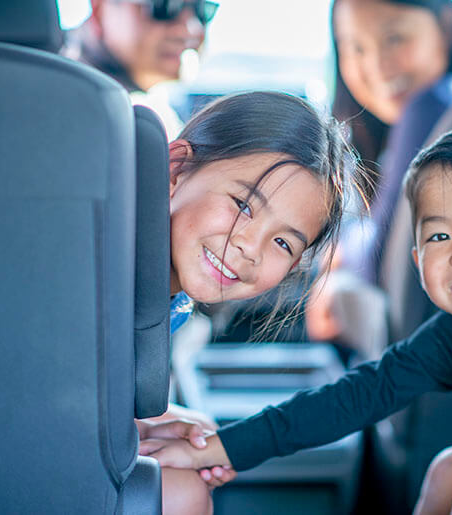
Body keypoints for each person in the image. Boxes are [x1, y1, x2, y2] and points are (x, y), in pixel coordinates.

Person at [137, 119, 452, 515]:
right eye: (439, 236)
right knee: (449, 470)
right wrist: (219, 447)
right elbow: (356, 398)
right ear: (417, 261)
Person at [137, 90, 363, 514]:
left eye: (282, 242)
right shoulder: (111, 278)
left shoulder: (165, 300)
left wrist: (155, 422)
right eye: (243, 204)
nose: (249, 247)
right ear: (176, 169)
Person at [306, 0, 452, 356]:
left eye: (395, 38)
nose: (377, 65)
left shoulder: (431, 106)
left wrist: (343, 252)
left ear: (446, 25)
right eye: (355, 47)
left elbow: (380, 258)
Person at [64, 0, 218, 138]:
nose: (191, 29)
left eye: (202, 9)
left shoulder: (150, 104)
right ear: (100, 12)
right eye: (163, 6)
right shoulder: (69, 103)